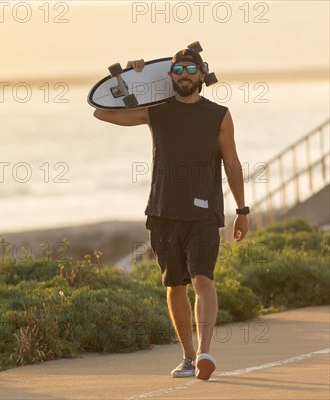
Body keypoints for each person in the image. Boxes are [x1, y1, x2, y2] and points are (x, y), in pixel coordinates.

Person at [92, 48, 249, 380]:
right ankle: (188, 357)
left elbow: (232, 165)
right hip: (162, 213)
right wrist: (135, 78)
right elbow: (101, 114)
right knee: (175, 286)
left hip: (205, 214)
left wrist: (242, 210)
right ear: (171, 75)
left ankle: (205, 351)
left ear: (201, 74)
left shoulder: (219, 115)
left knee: (203, 280)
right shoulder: (156, 112)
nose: (184, 74)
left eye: (191, 69)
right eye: (178, 69)